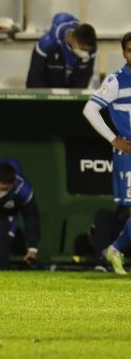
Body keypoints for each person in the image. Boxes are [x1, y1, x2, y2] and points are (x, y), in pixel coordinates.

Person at [82, 32, 131, 275]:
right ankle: (115, 248)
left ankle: (115, 248)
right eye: (130, 50)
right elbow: (90, 110)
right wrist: (113, 138)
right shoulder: (116, 81)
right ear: (124, 53)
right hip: (128, 155)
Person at [26, 13, 97, 89]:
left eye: (88, 50)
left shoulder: (91, 48)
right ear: (74, 40)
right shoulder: (46, 45)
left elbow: (85, 76)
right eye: (83, 49)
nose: (85, 53)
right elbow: (34, 78)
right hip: (47, 90)